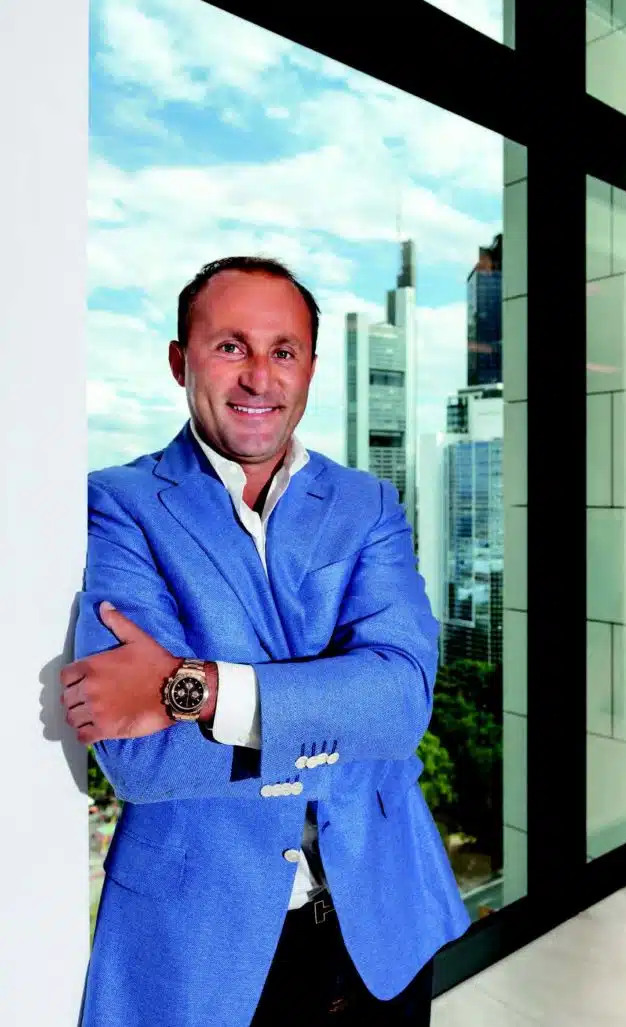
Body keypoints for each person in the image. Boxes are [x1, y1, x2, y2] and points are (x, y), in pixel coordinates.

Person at [61, 256, 470, 1026]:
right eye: (230, 346)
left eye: (283, 351)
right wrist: (334, 709)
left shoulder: (367, 502)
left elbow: (401, 704)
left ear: (310, 367)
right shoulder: (116, 504)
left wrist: (200, 689)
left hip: (382, 912)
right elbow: (143, 759)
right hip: (203, 937)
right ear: (180, 360)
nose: (259, 376)